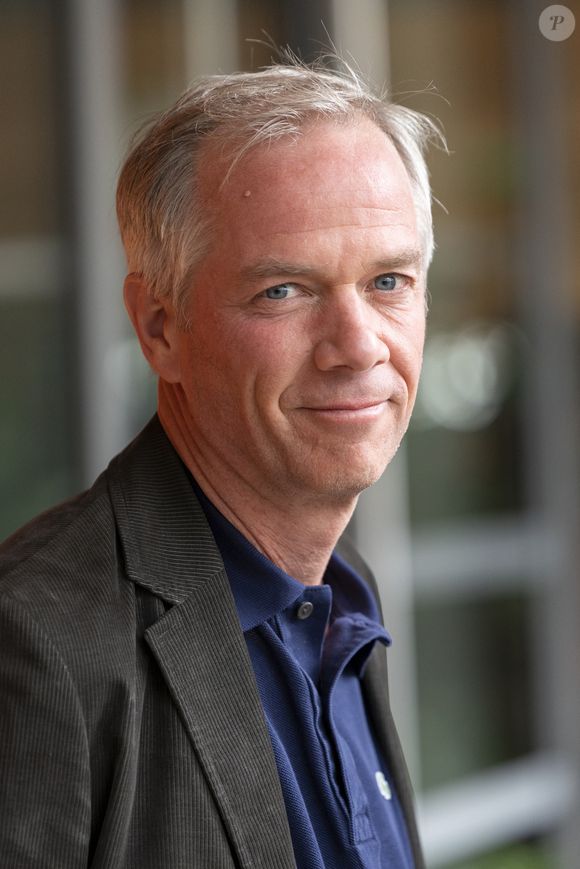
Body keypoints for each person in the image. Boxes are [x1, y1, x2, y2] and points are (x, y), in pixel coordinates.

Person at [0, 58, 441, 868]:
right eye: (284, 290)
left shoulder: (343, 592)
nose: (357, 346)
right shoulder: (35, 642)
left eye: (388, 281)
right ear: (160, 327)